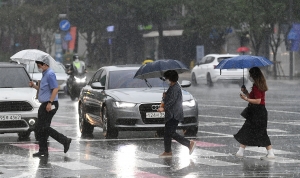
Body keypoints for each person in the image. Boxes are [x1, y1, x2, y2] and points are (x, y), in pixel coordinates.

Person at [29, 57, 72, 157]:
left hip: (50, 104)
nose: (38, 68)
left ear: (45, 64)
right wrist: (34, 86)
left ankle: (65, 140)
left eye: (39, 66)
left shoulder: (50, 74)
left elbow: (55, 89)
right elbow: (43, 89)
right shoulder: (44, 74)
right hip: (44, 104)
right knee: (41, 128)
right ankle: (43, 150)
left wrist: (49, 103)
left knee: (43, 127)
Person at [233, 67, 275, 160]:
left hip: (258, 112)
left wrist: (246, 99)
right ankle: (240, 152)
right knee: (248, 130)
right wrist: (246, 92)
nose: (250, 76)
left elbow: (258, 101)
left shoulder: (257, 86)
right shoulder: (258, 84)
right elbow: (253, 97)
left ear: (254, 75)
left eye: (250, 74)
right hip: (257, 112)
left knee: (255, 131)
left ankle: (270, 153)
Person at [157, 70, 196, 158]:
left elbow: (172, 101)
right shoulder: (173, 86)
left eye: (167, 78)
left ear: (170, 79)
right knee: (167, 133)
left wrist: (163, 108)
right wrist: (165, 96)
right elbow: (170, 99)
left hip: (174, 114)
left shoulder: (175, 88)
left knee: (171, 132)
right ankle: (167, 151)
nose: (166, 80)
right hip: (171, 114)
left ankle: (189, 143)